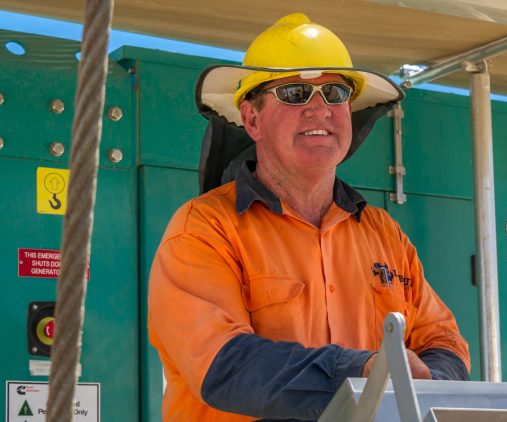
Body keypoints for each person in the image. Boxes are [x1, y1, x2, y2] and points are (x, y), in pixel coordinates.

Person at [148, 13, 470, 421]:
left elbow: (443, 340)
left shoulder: (385, 234)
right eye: (296, 93)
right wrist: (361, 372)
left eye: (335, 93)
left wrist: (429, 382)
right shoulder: (203, 229)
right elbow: (222, 366)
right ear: (251, 119)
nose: (320, 110)